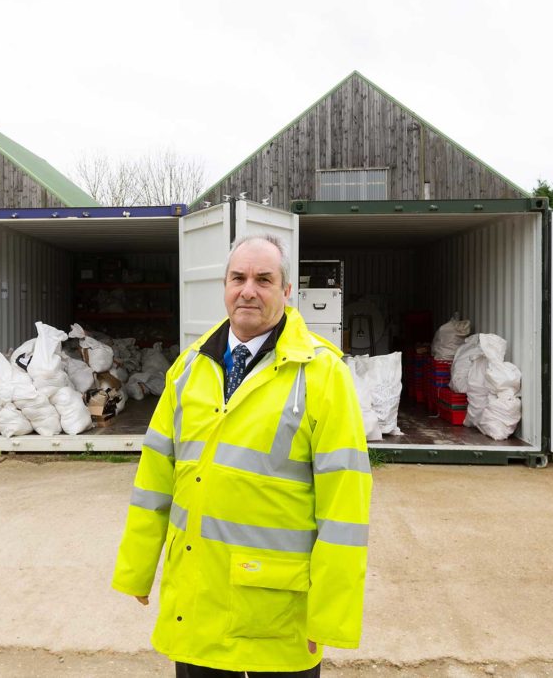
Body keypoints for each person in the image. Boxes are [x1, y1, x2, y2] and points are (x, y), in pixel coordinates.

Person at [112, 233, 372, 676]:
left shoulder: (323, 375)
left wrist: (329, 614)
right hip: (197, 605)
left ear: (287, 292)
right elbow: (155, 476)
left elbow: (345, 507)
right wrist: (137, 568)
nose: (248, 290)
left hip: (275, 610)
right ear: (225, 285)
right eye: (238, 278)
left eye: (264, 279)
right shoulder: (189, 368)